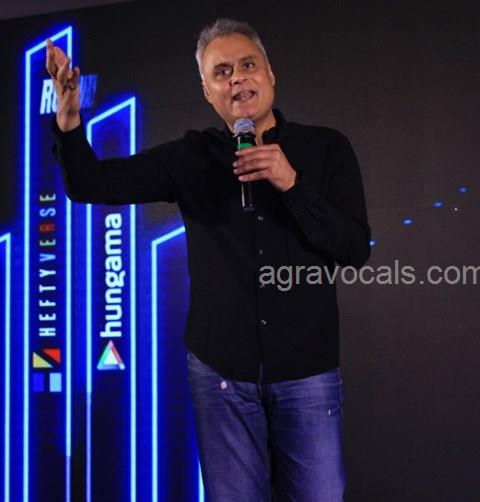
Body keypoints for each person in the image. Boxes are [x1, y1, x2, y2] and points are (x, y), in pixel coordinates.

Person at [47, 18, 369, 501]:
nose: (237, 78)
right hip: (220, 375)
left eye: (248, 65)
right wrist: (70, 123)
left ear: (270, 74)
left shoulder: (326, 148)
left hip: (307, 371)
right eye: (222, 72)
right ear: (207, 91)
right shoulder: (191, 156)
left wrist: (292, 184)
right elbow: (92, 184)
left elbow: (354, 249)